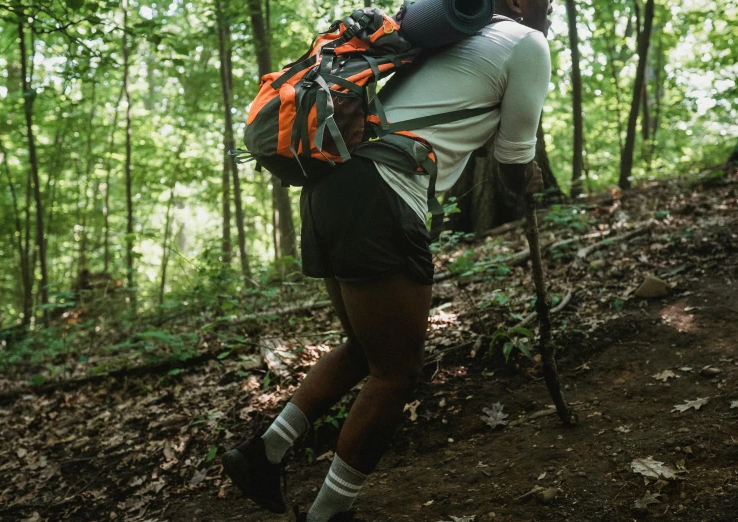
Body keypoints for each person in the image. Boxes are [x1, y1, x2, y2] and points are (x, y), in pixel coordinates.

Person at [222, 0, 554, 520]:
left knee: (363, 348)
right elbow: (514, 159)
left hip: (330, 186)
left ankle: (262, 453)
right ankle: (330, 511)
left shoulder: (437, 41)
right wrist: (527, 179)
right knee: (396, 372)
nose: (553, 6)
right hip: (380, 193)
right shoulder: (526, 43)